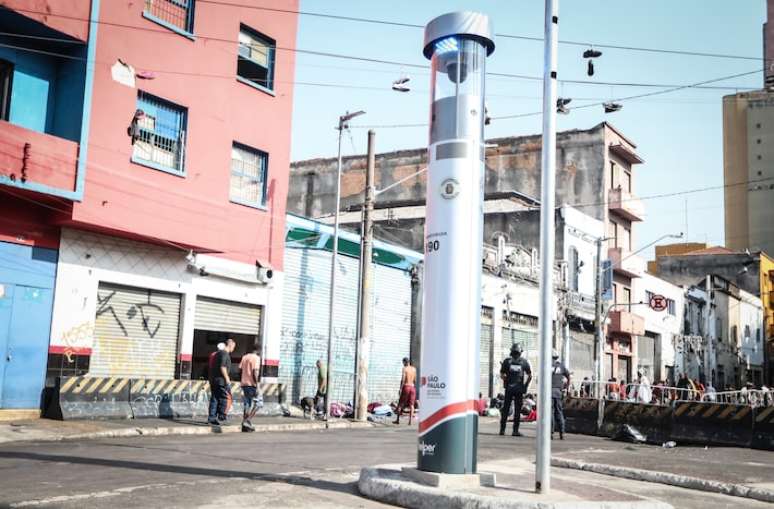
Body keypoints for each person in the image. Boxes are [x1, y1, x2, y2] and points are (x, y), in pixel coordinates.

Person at [499, 343, 532, 437]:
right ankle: (515, 431)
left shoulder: (507, 361)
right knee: (517, 410)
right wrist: (525, 386)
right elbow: (530, 376)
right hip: (519, 390)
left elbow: (502, 374)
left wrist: (505, 379)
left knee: (506, 409)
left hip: (509, 389)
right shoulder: (524, 362)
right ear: (520, 352)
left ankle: (502, 430)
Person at [208, 339, 235, 425]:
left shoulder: (216, 354)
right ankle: (222, 416)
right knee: (227, 398)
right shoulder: (224, 354)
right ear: (230, 345)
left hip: (214, 380)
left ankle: (212, 418)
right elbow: (222, 367)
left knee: (215, 399)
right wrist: (227, 379)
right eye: (234, 347)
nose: (233, 349)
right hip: (221, 381)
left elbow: (211, 367)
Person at [239, 344, 261, 432]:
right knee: (259, 403)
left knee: (247, 404)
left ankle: (244, 423)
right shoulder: (256, 358)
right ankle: (247, 421)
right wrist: (257, 385)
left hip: (244, 383)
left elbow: (239, 370)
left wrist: (243, 379)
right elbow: (255, 371)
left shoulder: (244, 357)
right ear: (258, 350)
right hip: (252, 384)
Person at [550, 350, 570, 440]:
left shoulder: (547, 365)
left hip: (549, 392)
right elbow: (568, 376)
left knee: (550, 413)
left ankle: (550, 433)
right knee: (559, 412)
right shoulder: (561, 366)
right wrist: (566, 387)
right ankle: (562, 433)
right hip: (558, 392)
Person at [393, 357, 417, 425]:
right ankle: (410, 421)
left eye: (403, 362)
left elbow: (403, 379)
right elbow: (415, 380)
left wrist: (400, 388)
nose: (403, 364)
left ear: (405, 362)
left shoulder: (404, 369)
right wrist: (412, 386)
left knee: (401, 403)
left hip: (406, 387)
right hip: (412, 387)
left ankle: (397, 420)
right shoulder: (414, 369)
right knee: (411, 405)